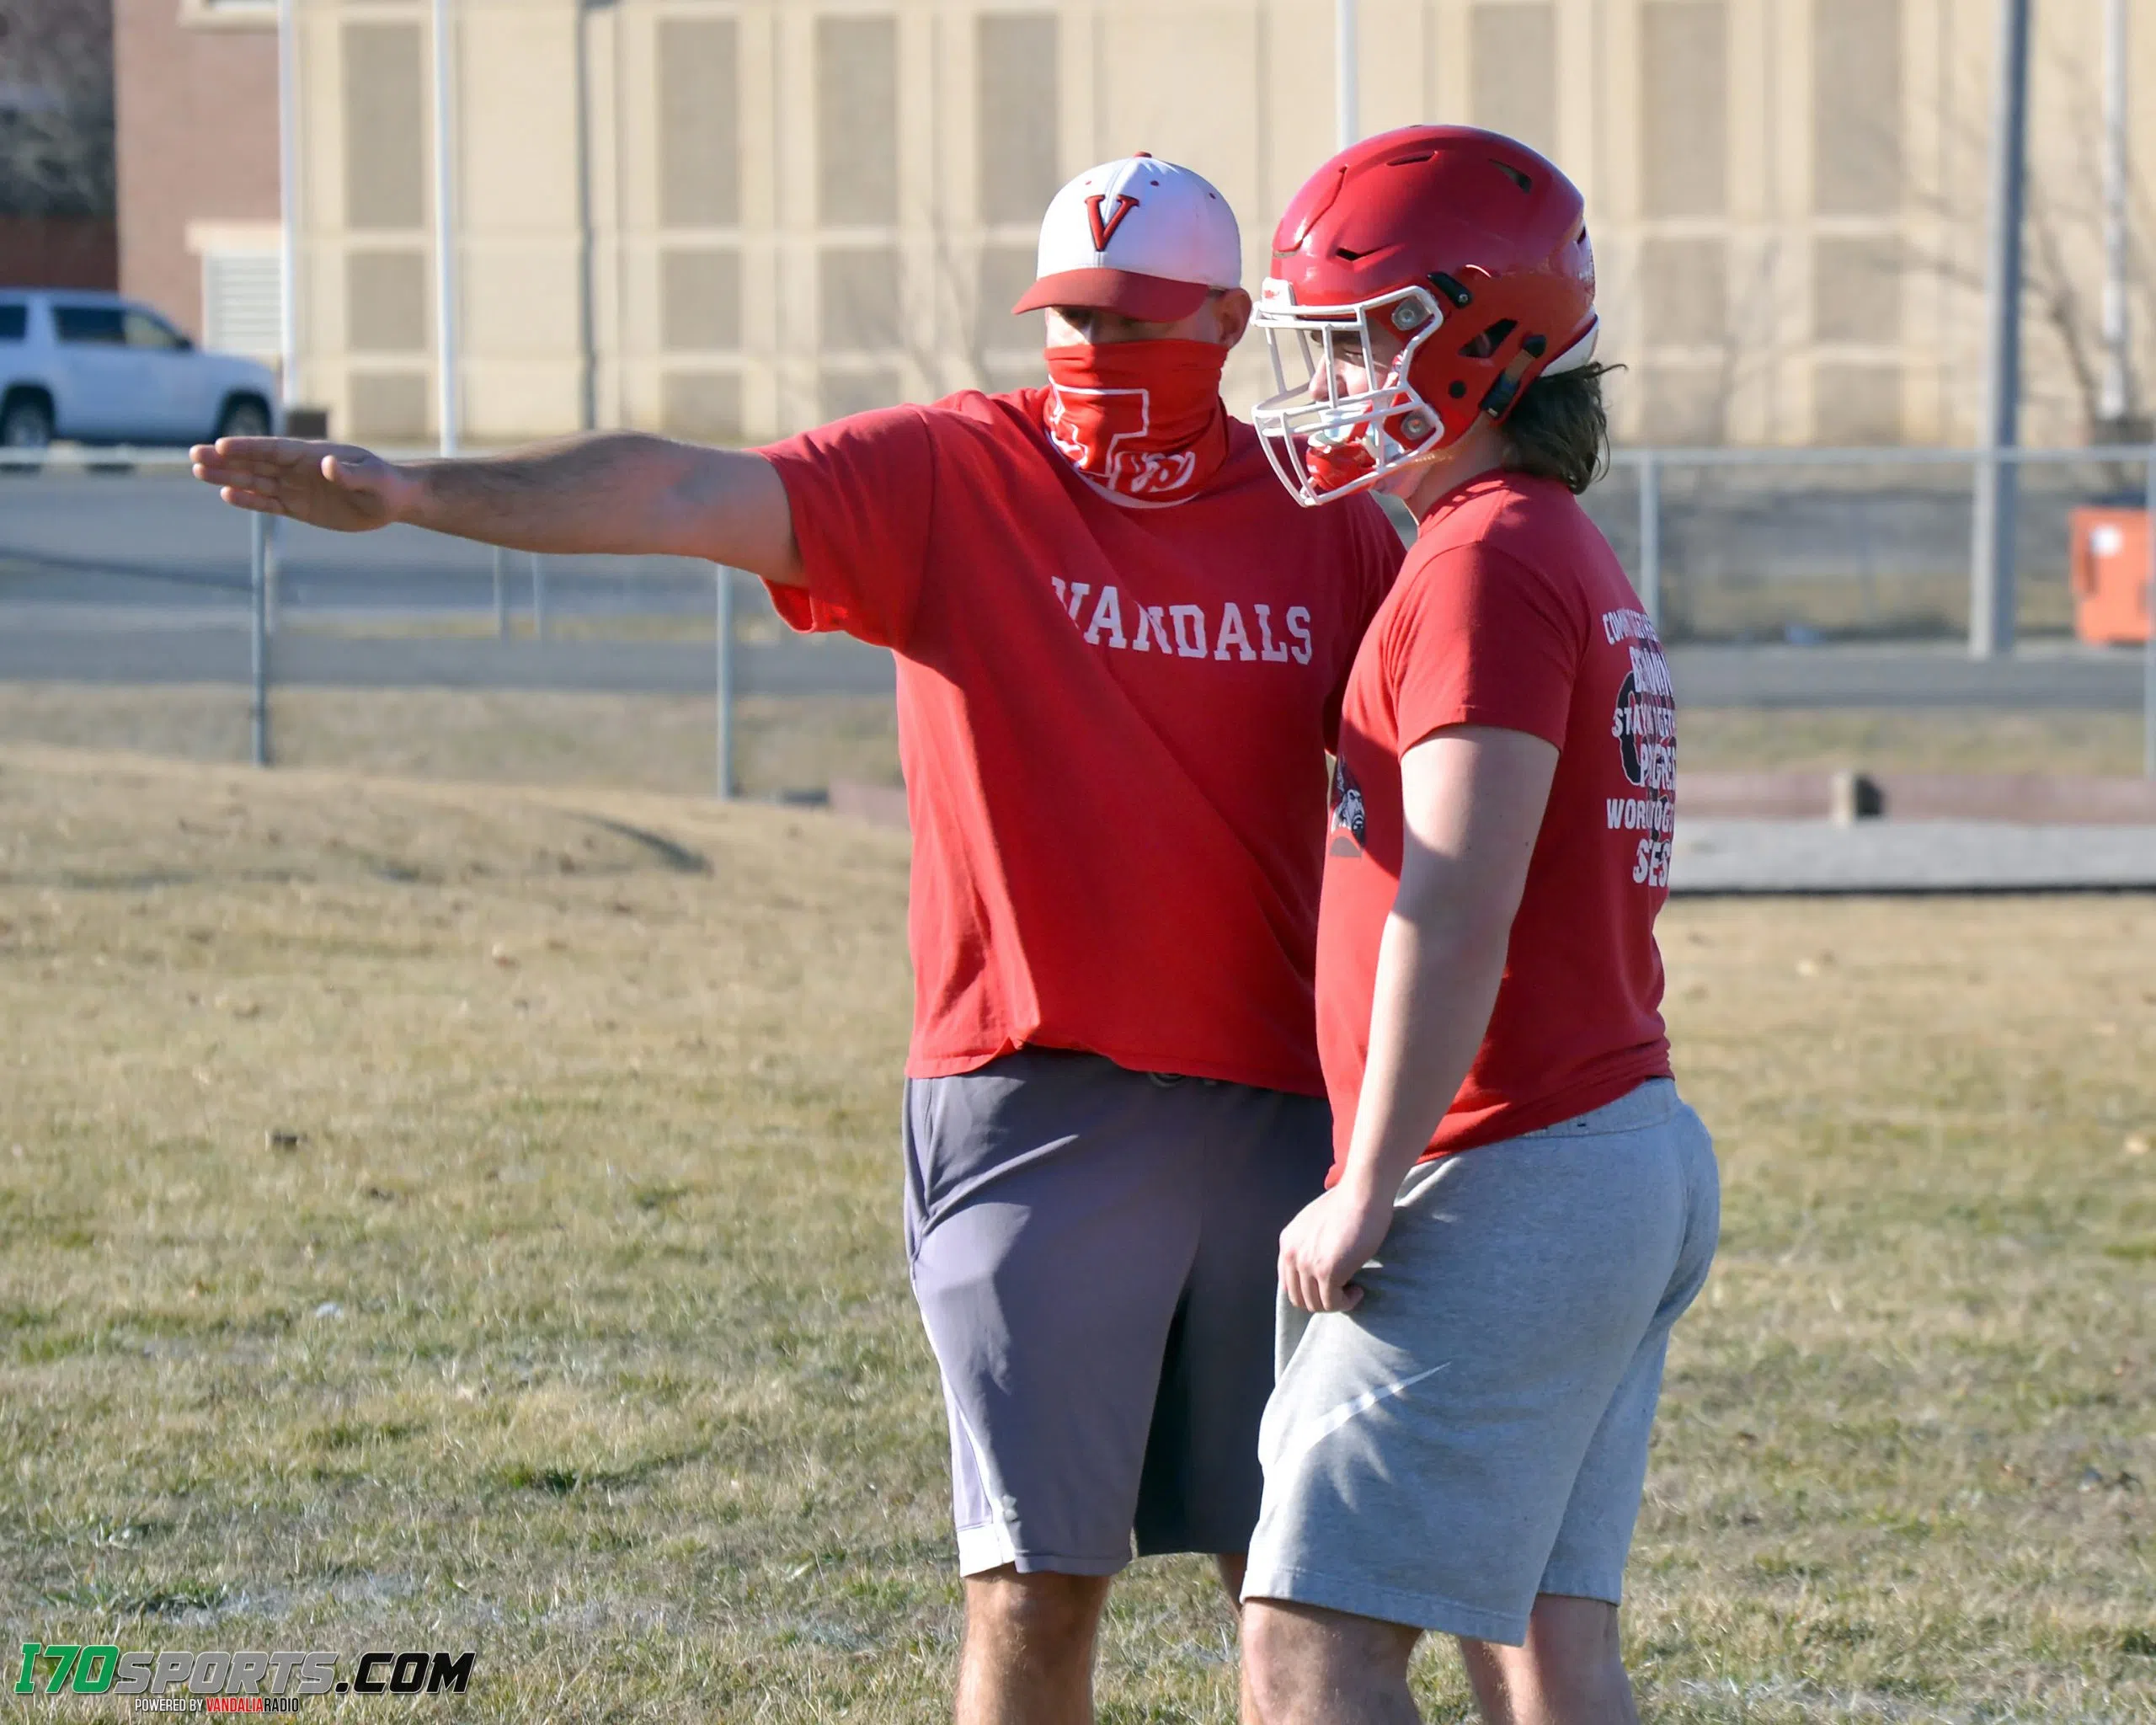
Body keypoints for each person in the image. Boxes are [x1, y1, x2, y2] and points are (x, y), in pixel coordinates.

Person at [189, 152, 1404, 1725]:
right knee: (1035, 1584)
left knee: (1296, 1587)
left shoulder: (1326, 529)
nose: (1096, 354)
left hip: (1277, 1115)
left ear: (1233, 321)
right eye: (1072, 319)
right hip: (1032, 1100)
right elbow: (680, 487)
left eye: (1138, 320)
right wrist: (428, 494)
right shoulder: (957, 476)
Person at [1231, 126, 1721, 1725]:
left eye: (1358, 337)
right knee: (1543, 1645)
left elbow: (1457, 901)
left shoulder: (1487, 561)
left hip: (1511, 1166)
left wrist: (1366, 1183)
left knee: (1311, 1637)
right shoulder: (1542, 550)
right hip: (1601, 1151)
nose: (1325, 380)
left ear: (1481, 346)